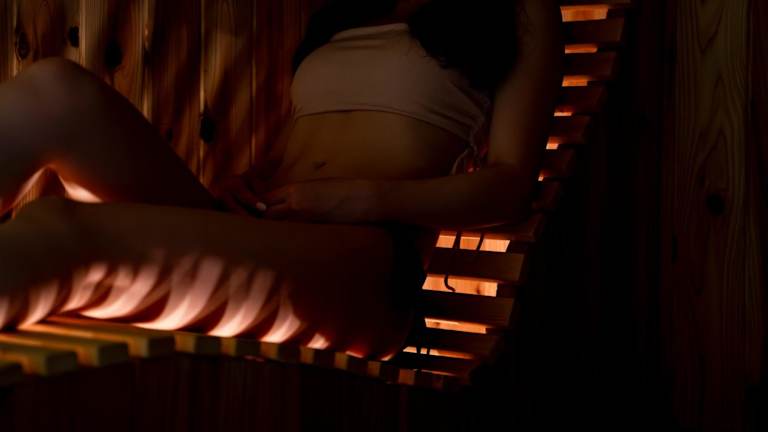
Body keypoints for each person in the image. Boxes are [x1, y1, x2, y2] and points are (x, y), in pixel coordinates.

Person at [0, 0, 562, 359]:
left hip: (363, 266)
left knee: (62, 230)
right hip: (271, 226)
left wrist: (363, 200)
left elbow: (510, 186)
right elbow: (303, 142)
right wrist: (250, 179)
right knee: (54, 92)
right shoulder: (352, 8)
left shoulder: (520, 10)